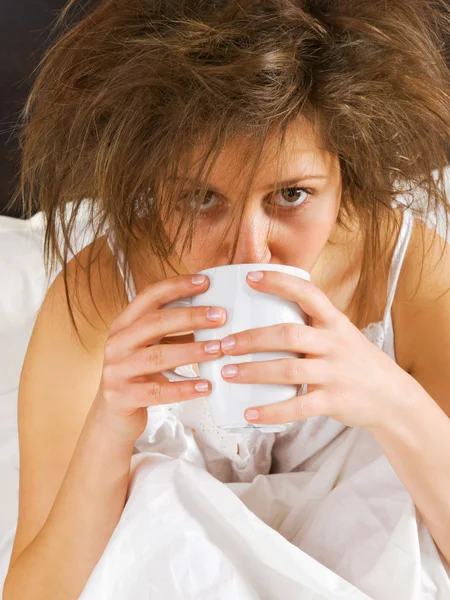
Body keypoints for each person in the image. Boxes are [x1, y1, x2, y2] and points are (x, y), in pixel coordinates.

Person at [3, 0, 450, 598]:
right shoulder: (96, 301)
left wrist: (389, 397)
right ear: (151, 183)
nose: (249, 252)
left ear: (347, 168)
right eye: (200, 198)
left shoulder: (405, 274)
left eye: (292, 194)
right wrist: (109, 430)